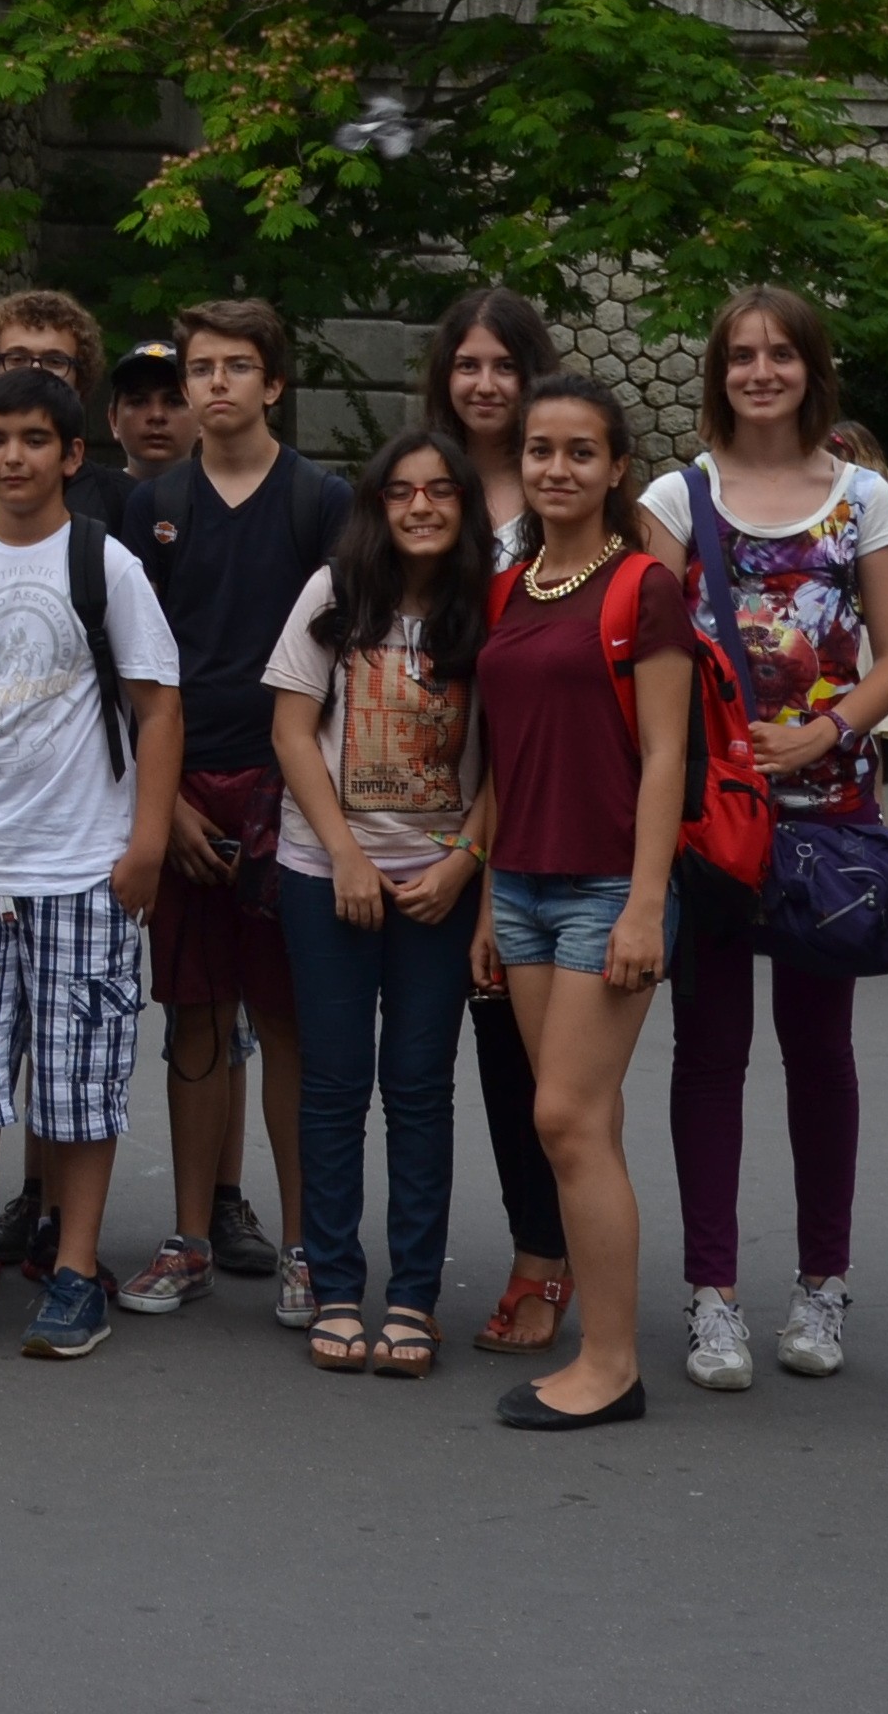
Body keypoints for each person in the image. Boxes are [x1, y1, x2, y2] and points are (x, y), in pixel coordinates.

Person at [638, 286, 888, 1389]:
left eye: (782, 354)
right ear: (720, 370)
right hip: (713, 820)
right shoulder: (678, 494)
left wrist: (827, 731)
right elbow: (650, 644)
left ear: (813, 368)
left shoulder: (863, 500)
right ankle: (714, 1296)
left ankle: (821, 1287)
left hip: (831, 817)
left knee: (820, 1054)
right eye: (743, 355)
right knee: (707, 1056)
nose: (762, 371)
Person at [0, 368, 185, 1361]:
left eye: (33, 440)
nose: (13, 457)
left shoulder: (108, 566)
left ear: (70, 454)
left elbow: (157, 707)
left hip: (83, 867)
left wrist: (144, 842)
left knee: (80, 1085)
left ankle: (74, 1271)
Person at [115, 297, 348, 1326]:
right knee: (196, 1022)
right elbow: (130, 671)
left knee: (291, 1026)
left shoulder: (322, 502)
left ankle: (306, 1245)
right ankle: (191, 1236)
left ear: (273, 384)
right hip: (184, 785)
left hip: (288, 789)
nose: (214, 385)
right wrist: (158, 809)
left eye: (235, 367)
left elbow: (346, 663)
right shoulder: (151, 504)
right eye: (201, 367)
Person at [480, 372, 693, 1431]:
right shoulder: (510, 587)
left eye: (578, 452)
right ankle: (600, 1344)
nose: (555, 469)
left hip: (608, 885)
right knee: (581, 1121)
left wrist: (646, 907)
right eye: (538, 451)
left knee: (563, 1117)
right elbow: (498, 761)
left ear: (616, 468)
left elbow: (666, 754)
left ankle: (611, 1364)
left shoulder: (644, 587)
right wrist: (484, 894)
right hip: (518, 883)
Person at [262, 427, 493, 1380]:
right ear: (377, 505)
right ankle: (335, 1285)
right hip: (329, 877)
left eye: (441, 491)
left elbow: (516, 756)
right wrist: (348, 858)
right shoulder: (334, 595)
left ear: (465, 507)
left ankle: (411, 1298)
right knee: (332, 1084)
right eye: (402, 493)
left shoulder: (490, 608)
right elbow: (287, 731)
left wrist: (464, 861)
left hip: (438, 882)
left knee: (419, 1089)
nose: (422, 507)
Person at [418, 284, 572, 1353]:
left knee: (535, 1069)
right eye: (467, 365)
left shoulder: (567, 498)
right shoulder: (419, 490)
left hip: (532, 817)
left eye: (502, 367)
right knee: (438, 1059)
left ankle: (548, 1259)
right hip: (420, 820)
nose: (483, 384)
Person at [0, 289, 124, 531]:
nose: (34, 372)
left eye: (54, 361)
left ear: (80, 379)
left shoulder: (120, 498)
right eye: (17, 359)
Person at [101, 338, 191, 477]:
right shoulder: (82, 497)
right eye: (138, 401)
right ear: (113, 420)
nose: (156, 415)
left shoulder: (227, 498)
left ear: (203, 421)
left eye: (174, 402)